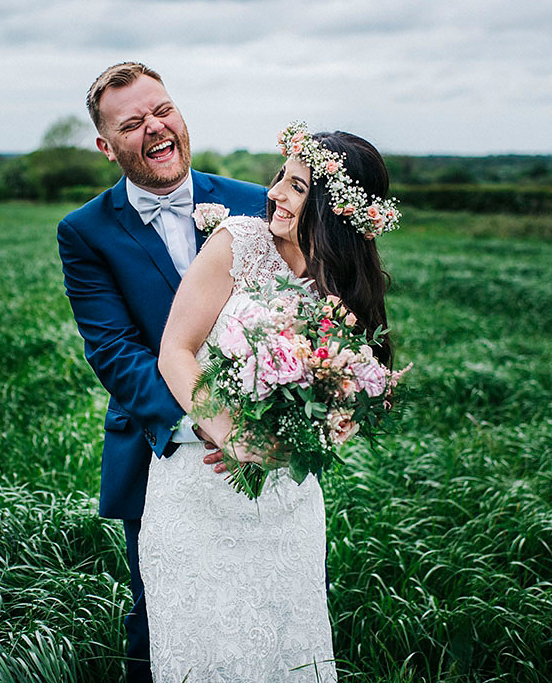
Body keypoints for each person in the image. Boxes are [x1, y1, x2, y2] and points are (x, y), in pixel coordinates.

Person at [142, 127, 397, 682]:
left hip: (287, 500)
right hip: (199, 491)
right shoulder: (238, 242)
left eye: (298, 186)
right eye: (280, 177)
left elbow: (350, 392)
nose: (275, 192)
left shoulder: (347, 284)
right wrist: (233, 436)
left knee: (287, 650)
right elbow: (175, 352)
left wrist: (302, 439)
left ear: (333, 208)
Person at [57, 62, 268, 681]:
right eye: (132, 123)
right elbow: (115, 353)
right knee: (163, 612)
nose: (155, 127)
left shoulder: (254, 203)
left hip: (264, 440)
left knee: (259, 602)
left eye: (163, 110)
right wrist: (209, 421)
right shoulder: (86, 232)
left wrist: (272, 420)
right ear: (106, 145)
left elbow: (299, 313)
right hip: (161, 450)